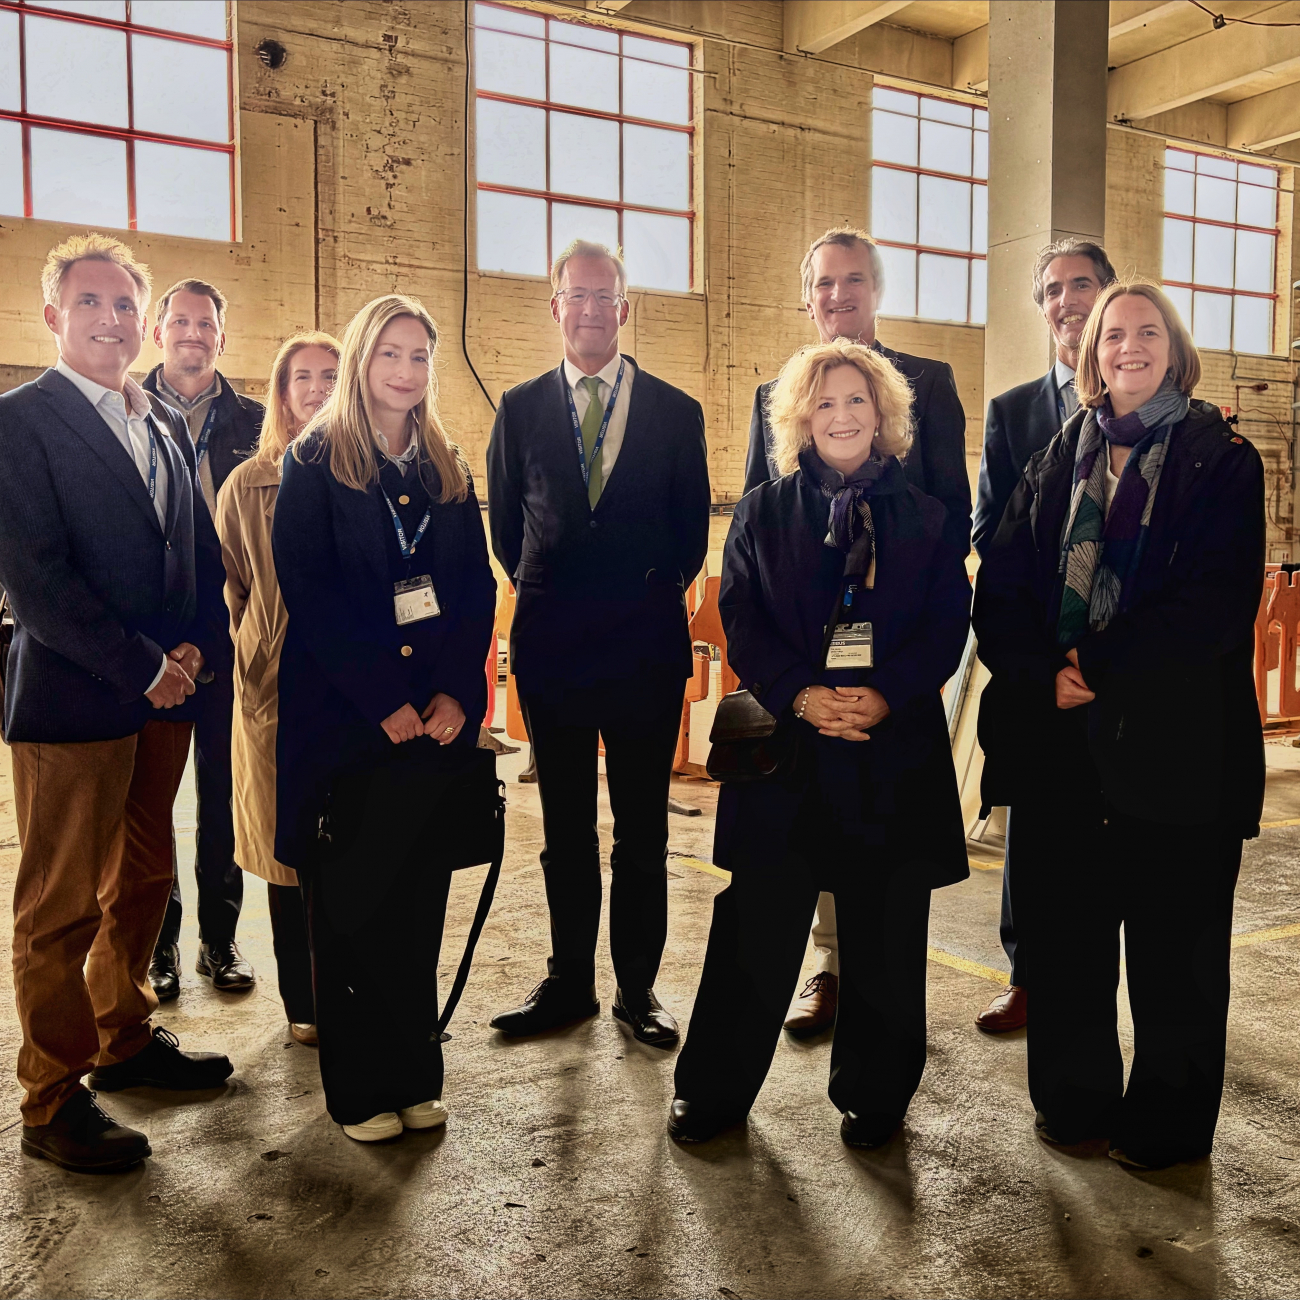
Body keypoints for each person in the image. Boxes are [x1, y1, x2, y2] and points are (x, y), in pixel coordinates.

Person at [973, 281, 1264, 1169]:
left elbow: (1214, 605)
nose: (1128, 347)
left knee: (1176, 954)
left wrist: (1094, 668)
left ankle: (1167, 1128)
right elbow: (1006, 582)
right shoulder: (1061, 454)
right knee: (1067, 943)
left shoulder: (1222, 458)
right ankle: (1073, 1102)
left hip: (1176, 743)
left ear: (1173, 348)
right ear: (1090, 354)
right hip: (1063, 744)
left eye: (1146, 332)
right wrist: (1039, 672)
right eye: (1112, 335)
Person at [669, 337, 971, 1146]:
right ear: (800, 419)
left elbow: (948, 623)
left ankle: (876, 1096)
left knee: (886, 929)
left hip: (889, 748)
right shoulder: (763, 512)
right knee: (756, 928)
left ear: (885, 416)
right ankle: (715, 1088)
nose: (842, 416)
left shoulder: (930, 519)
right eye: (825, 403)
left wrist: (887, 693)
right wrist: (802, 692)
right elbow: (741, 616)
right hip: (787, 754)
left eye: (858, 401)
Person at [0, 234, 233, 1174]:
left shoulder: (164, 422)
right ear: (53, 316)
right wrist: (144, 665)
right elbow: (35, 583)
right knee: (59, 905)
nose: (111, 320)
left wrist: (196, 648)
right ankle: (52, 1098)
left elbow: (194, 551)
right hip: (73, 699)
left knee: (141, 881)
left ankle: (123, 1036)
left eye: (124, 305)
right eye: (89, 303)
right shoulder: (21, 423)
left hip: (163, 700)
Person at [272, 295, 496, 1142]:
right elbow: (315, 596)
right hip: (349, 728)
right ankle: (361, 1090)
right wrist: (385, 701)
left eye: (420, 356)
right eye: (390, 353)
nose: (405, 371)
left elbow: (472, 591)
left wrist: (455, 696)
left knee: (417, 909)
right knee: (353, 915)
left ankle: (414, 1074)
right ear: (363, 358)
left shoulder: (444, 464)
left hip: (430, 731)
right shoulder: (315, 459)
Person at [743, 225, 971, 1038]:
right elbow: (754, 533)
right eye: (823, 284)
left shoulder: (930, 383)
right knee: (796, 834)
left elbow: (952, 508)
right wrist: (800, 683)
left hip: (893, 659)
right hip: (806, 663)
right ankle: (825, 966)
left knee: (883, 845)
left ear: (876, 288)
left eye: (851, 280)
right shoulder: (780, 391)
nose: (837, 296)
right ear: (808, 298)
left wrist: (891, 666)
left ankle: (867, 984)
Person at [486, 239, 710, 1046]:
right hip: (552, 650)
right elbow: (506, 527)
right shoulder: (518, 409)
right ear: (555, 306)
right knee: (566, 831)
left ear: (624, 306)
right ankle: (569, 982)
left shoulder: (677, 412)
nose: (589, 309)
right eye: (574, 296)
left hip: (645, 651)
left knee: (643, 831)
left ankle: (638, 990)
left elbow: (691, 539)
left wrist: (632, 594)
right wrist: (560, 593)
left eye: (604, 295)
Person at [971, 238, 1117, 1035]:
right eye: (1053, 289)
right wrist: (1037, 650)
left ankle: (1105, 974)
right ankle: (1026, 972)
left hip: (1117, 658)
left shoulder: (1140, 405)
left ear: (1110, 295)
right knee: (1033, 815)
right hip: (1038, 651)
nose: (1067, 300)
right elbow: (992, 534)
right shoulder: (1014, 412)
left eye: (1082, 284)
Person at [215, 331, 340, 1045]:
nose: (318, 388)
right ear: (282, 392)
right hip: (275, 689)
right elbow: (232, 590)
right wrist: (261, 647)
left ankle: (358, 988)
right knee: (286, 853)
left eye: (331, 375)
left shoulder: (371, 474)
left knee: (354, 843)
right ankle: (307, 1005)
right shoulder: (247, 486)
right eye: (304, 377)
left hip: (354, 691)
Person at [143, 278, 265, 996]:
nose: (193, 334)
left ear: (223, 334)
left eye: (206, 324)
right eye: (180, 321)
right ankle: (157, 945)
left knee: (223, 796)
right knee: (151, 806)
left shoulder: (252, 420)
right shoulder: (123, 408)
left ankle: (219, 942)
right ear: (162, 329)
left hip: (226, 641)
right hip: (150, 649)